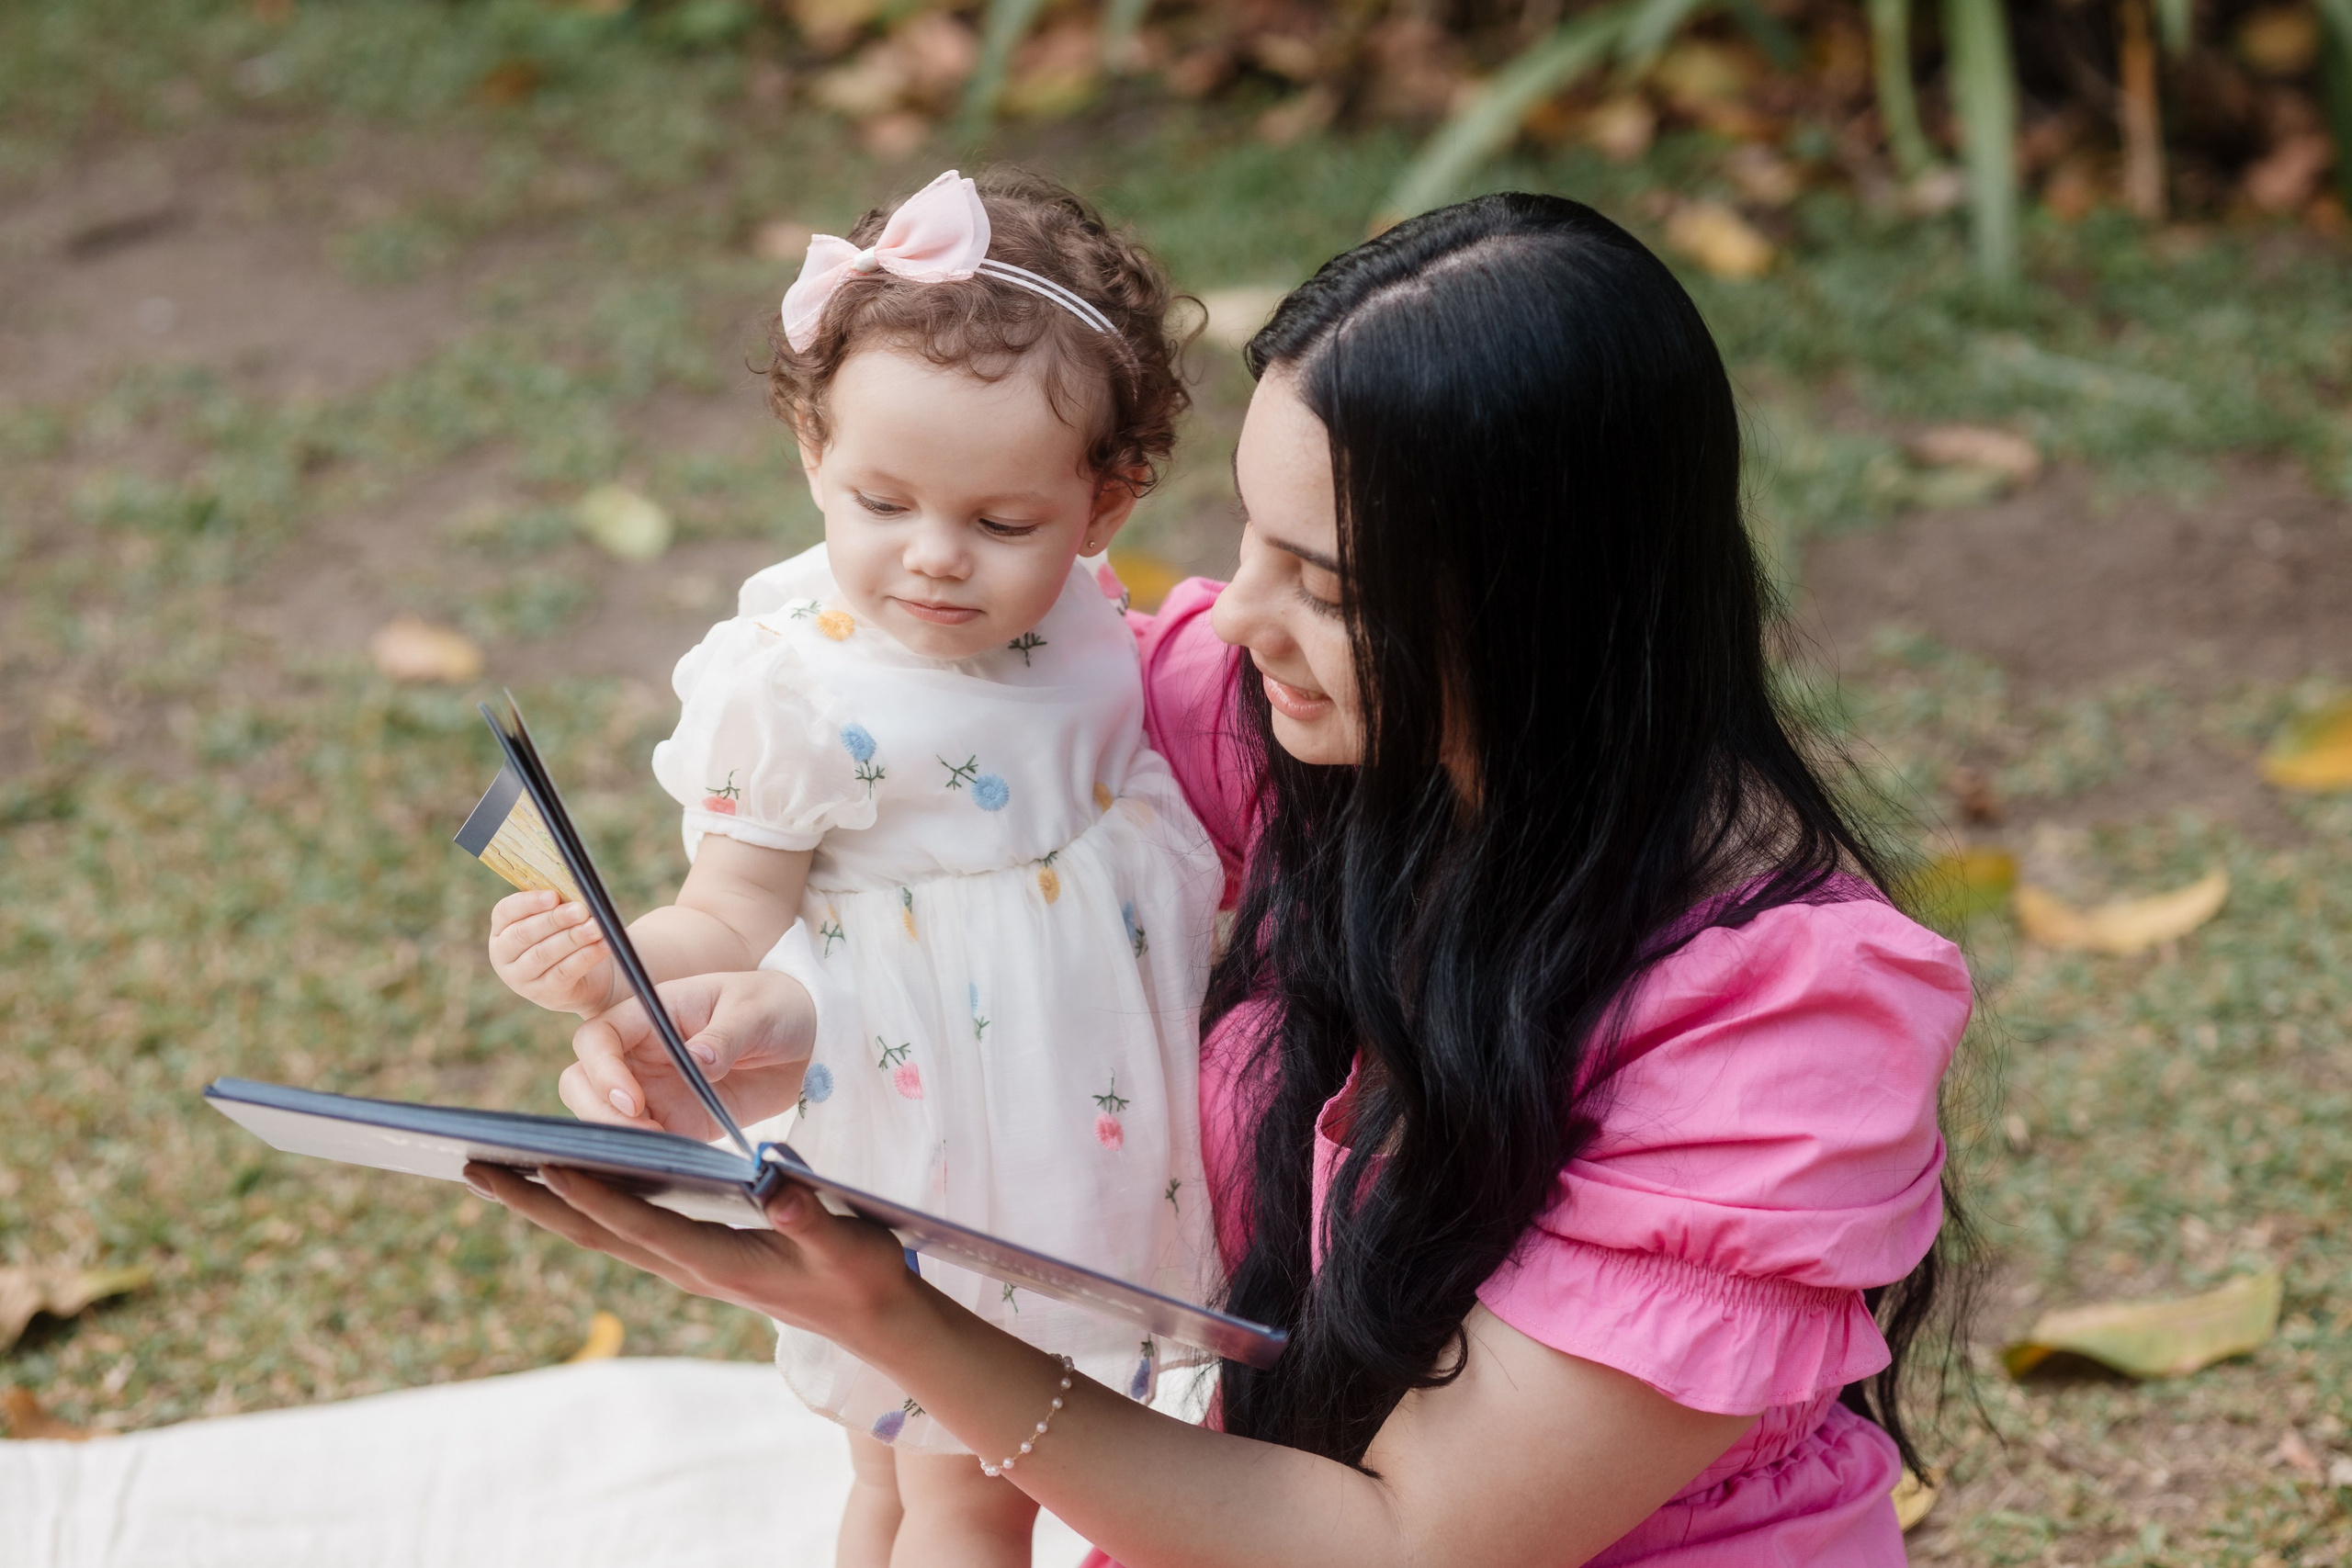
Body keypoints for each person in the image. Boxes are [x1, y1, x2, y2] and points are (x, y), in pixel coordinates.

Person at [470, 190, 1973, 1566]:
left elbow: (1407, 1547)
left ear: (1550, 618)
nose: (1234, 613)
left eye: (1329, 586)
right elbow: (968, 881)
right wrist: (764, 1028)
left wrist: (906, 1326)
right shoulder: (1263, 708)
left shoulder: (1788, 1027)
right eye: (1251, 535)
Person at [478, 168, 1227, 1568]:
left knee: (898, 1479)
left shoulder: (1083, 617)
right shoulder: (796, 691)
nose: (935, 559)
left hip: (1073, 1114)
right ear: (812, 450)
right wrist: (613, 957)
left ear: (1105, 503)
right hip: (932, 1126)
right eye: (881, 502)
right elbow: (731, 908)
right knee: (967, 1486)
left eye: (1003, 523)